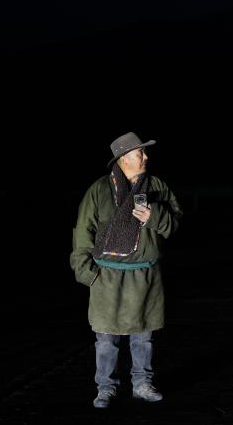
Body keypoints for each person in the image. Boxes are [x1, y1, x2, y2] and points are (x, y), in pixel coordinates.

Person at [70, 132, 183, 409]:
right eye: (139, 153)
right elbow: (83, 231)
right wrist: (86, 272)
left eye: (143, 152)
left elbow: (175, 221)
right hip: (107, 277)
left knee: (143, 336)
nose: (146, 157)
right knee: (106, 338)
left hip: (145, 275)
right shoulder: (99, 190)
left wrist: (155, 216)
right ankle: (105, 388)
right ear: (123, 159)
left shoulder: (156, 186)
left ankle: (142, 384)